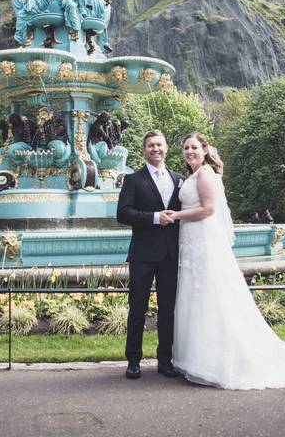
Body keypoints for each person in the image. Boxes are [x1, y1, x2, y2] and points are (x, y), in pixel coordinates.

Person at [165, 132, 285, 390]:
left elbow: (209, 209)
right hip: (192, 242)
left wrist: (177, 215)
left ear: (204, 150)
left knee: (210, 296)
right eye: (186, 148)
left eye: (194, 147)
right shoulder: (191, 176)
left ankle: (215, 362)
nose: (189, 151)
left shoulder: (204, 174)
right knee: (196, 296)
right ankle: (197, 359)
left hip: (203, 241)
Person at [116, 129, 183, 380]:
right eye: (151, 145)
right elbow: (122, 214)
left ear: (166, 148)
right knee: (137, 309)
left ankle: (165, 360)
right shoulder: (133, 180)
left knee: (168, 310)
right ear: (144, 150)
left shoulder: (179, 179)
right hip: (143, 255)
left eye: (159, 144)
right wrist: (155, 218)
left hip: (170, 255)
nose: (155, 149)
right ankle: (133, 360)